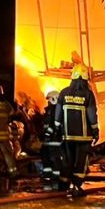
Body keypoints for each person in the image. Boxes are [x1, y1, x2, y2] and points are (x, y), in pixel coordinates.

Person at [55, 65, 99, 194]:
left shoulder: (63, 93)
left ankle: (63, 185)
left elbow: (58, 114)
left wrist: (57, 128)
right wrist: (95, 130)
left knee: (67, 159)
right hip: (84, 137)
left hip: (67, 136)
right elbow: (92, 115)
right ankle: (76, 186)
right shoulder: (88, 94)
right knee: (81, 161)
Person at [40, 90, 63, 191]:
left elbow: (53, 125)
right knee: (47, 162)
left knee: (55, 161)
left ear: (54, 99)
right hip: (48, 142)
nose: (48, 102)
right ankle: (48, 181)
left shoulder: (55, 111)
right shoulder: (50, 110)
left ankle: (55, 182)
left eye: (49, 100)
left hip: (54, 142)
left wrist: (47, 134)